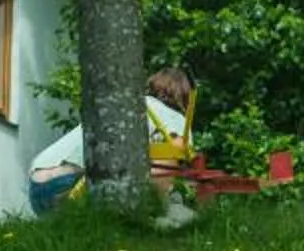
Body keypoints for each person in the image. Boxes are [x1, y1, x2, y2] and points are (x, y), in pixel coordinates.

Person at [30, 67, 196, 223]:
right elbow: (170, 158)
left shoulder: (127, 105)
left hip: (37, 185)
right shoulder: (174, 118)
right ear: (184, 96)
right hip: (68, 187)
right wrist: (163, 206)